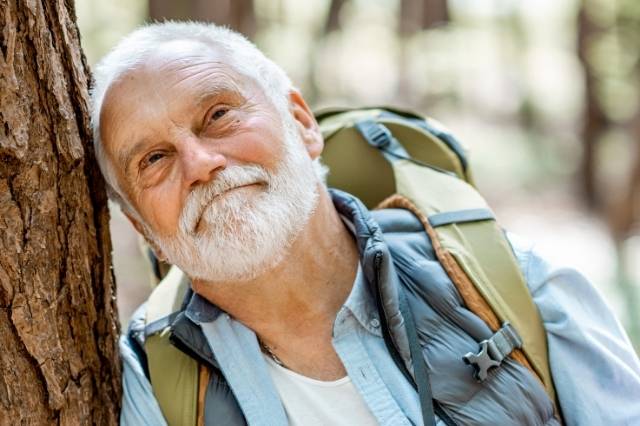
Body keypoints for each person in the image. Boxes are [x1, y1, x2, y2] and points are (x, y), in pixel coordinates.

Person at [90, 21, 640, 426]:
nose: (201, 163)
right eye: (153, 160)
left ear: (301, 122)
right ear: (141, 224)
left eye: (218, 115)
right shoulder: (152, 387)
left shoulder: (516, 286)